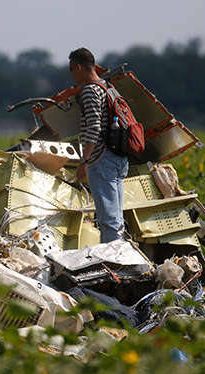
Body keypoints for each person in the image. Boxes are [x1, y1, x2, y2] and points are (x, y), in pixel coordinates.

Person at [69, 47, 129, 243]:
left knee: (108, 219)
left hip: (101, 160)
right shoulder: (107, 87)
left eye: (71, 70)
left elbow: (94, 128)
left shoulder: (89, 91)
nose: (72, 75)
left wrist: (84, 161)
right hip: (119, 158)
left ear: (78, 67)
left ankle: (113, 263)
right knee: (116, 218)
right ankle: (117, 259)